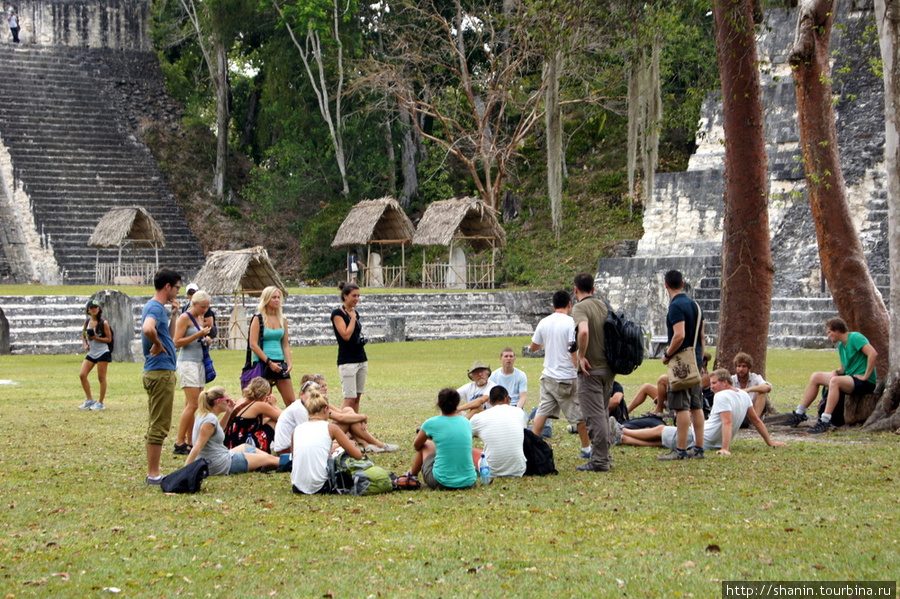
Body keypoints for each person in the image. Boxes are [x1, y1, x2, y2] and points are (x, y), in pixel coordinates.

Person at [614, 370, 786, 455]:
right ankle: (622, 438)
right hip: (712, 442)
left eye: (713, 384)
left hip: (703, 439)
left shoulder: (722, 396)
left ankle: (623, 430)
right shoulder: (743, 395)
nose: (711, 388)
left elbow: (728, 422)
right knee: (662, 441)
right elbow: (756, 420)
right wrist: (769, 441)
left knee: (661, 431)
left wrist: (726, 449)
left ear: (725, 382)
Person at [784, 317, 878, 434]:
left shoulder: (855, 337)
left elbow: (873, 354)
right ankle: (799, 413)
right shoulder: (841, 346)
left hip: (864, 382)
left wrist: (865, 376)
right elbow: (843, 369)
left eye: (829, 332)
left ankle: (825, 420)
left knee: (835, 382)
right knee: (816, 376)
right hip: (850, 378)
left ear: (837, 331)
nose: (828, 336)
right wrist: (836, 372)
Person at [529, 290, 590, 451]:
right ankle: (586, 448)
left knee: (542, 411)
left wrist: (547, 343)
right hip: (567, 376)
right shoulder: (571, 322)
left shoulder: (544, 322)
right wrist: (579, 369)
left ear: (552, 305)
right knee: (579, 415)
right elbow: (572, 350)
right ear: (570, 305)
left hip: (548, 375)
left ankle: (533, 447)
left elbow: (533, 347)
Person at [658, 269, 705, 461]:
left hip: (681, 364)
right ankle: (699, 448)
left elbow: (679, 335)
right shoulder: (695, 305)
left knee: (682, 407)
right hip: (696, 359)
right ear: (683, 284)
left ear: (666, 285)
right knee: (696, 405)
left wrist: (667, 354)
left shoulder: (676, 306)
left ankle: (681, 449)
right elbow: (701, 335)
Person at [141, 268, 182, 485]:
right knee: (160, 424)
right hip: (160, 371)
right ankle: (153, 474)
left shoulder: (158, 308)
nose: (178, 290)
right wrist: (157, 344)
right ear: (167, 286)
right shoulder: (155, 307)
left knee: (156, 421)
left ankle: (153, 471)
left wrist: (174, 314)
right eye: (177, 287)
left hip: (158, 370)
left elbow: (171, 338)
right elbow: (148, 329)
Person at [571, 273, 614, 472]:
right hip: (608, 367)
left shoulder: (580, 307)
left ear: (575, 290)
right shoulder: (603, 306)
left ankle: (599, 461)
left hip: (591, 369)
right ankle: (605, 454)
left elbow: (585, 331)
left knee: (594, 416)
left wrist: (581, 355)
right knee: (603, 413)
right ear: (594, 289)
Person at [184, 386, 279, 476]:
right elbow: (197, 447)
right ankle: (290, 462)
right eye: (227, 400)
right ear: (218, 402)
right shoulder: (210, 420)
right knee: (268, 459)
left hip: (220, 456)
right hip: (220, 464)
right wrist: (184, 471)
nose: (230, 401)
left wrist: (229, 412)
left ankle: (273, 460)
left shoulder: (205, 415)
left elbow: (218, 431)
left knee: (246, 447)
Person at [402, 388, 477, 491]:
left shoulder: (431, 423)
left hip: (441, 482)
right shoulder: (466, 422)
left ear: (439, 403)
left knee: (426, 444)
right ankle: (411, 475)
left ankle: (411, 476)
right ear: (457, 403)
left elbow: (416, 445)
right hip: (469, 481)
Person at [290, 391, 364, 494]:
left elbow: (295, 458)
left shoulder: (296, 430)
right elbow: (358, 455)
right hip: (321, 486)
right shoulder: (331, 428)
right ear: (325, 409)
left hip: (297, 487)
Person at [172, 290, 214, 455]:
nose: (205, 310)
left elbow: (197, 339)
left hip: (199, 362)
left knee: (193, 404)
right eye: (202, 307)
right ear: (194, 303)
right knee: (193, 404)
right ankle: (179, 441)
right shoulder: (185, 318)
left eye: (207, 307)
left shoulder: (199, 318)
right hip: (187, 362)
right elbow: (176, 342)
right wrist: (198, 334)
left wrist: (205, 339)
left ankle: (190, 440)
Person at [249, 286, 295, 407]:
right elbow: (253, 344)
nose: (277, 300)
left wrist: (289, 362)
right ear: (266, 299)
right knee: (263, 401)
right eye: (273, 297)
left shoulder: (282, 319)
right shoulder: (258, 318)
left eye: (278, 297)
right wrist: (269, 362)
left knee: (291, 401)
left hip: (279, 361)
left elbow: (285, 343)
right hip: (263, 362)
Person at [470, 386, 526, 478]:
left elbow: (463, 436)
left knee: (470, 450)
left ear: (490, 402)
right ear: (507, 399)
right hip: (518, 470)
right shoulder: (519, 412)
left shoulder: (479, 417)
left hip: (490, 471)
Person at [331, 282, 368, 413]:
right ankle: (337, 426)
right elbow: (345, 335)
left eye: (358, 296)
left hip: (361, 358)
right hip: (347, 360)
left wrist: (353, 316)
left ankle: (354, 427)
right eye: (354, 296)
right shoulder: (337, 314)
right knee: (349, 399)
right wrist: (352, 319)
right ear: (345, 296)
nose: (357, 299)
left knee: (357, 398)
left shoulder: (355, 312)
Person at [223, 377, 282, 453]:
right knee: (273, 422)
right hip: (247, 445)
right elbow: (284, 417)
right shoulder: (259, 405)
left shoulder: (241, 400)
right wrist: (273, 405)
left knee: (266, 419)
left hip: (232, 443)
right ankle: (281, 450)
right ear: (265, 393)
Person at [77, 299, 113, 411]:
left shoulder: (104, 323)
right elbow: (83, 334)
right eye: (91, 307)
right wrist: (85, 344)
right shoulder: (87, 323)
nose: (94, 309)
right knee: (82, 375)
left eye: (95, 307)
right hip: (92, 352)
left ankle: (100, 402)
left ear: (99, 309)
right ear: (88, 310)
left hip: (102, 352)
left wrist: (95, 338)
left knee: (101, 378)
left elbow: (109, 339)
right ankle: (89, 400)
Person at [731, 352, 774, 425]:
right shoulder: (731, 380)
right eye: (739, 366)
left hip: (751, 412)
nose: (741, 369)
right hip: (737, 413)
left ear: (749, 368)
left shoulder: (755, 378)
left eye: (744, 366)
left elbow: (768, 387)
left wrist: (749, 389)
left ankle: (755, 422)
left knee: (761, 392)